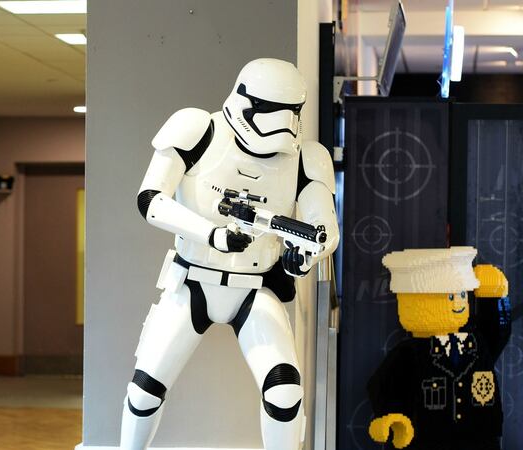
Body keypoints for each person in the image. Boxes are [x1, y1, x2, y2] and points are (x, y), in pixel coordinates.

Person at [121, 58, 340, 450]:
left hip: (256, 288)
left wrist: (305, 254)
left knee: (284, 392)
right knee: (144, 390)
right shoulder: (197, 129)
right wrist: (212, 235)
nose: (280, 123)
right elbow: (151, 199)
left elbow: (323, 226)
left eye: (290, 112)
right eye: (269, 110)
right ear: (245, 100)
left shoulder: (307, 157)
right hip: (192, 280)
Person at [368, 247, 511, 450]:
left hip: (481, 438)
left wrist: (494, 298)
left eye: (461, 294)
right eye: (449, 297)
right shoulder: (411, 352)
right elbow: (384, 385)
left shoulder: (478, 343)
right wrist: (393, 417)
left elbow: (498, 330)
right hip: (429, 441)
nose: (458, 303)